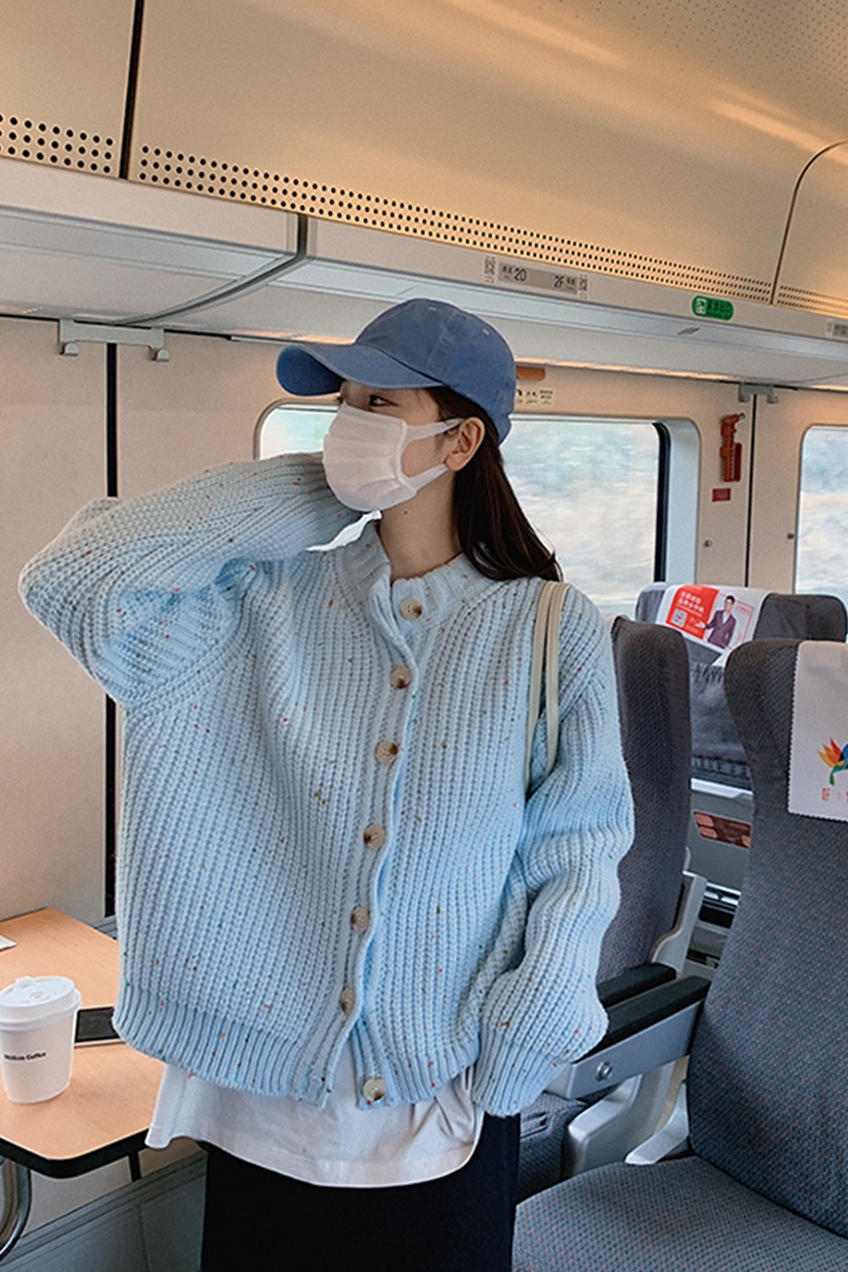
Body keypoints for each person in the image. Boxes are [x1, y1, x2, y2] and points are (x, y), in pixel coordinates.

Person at [19, 298, 633, 1271]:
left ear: (461, 439)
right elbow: (75, 578)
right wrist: (324, 490)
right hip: (264, 1105)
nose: (348, 425)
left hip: (441, 1096)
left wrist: (543, 999)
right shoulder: (256, 608)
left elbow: (579, 847)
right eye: (342, 403)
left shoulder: (549, 629)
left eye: (378, 404)